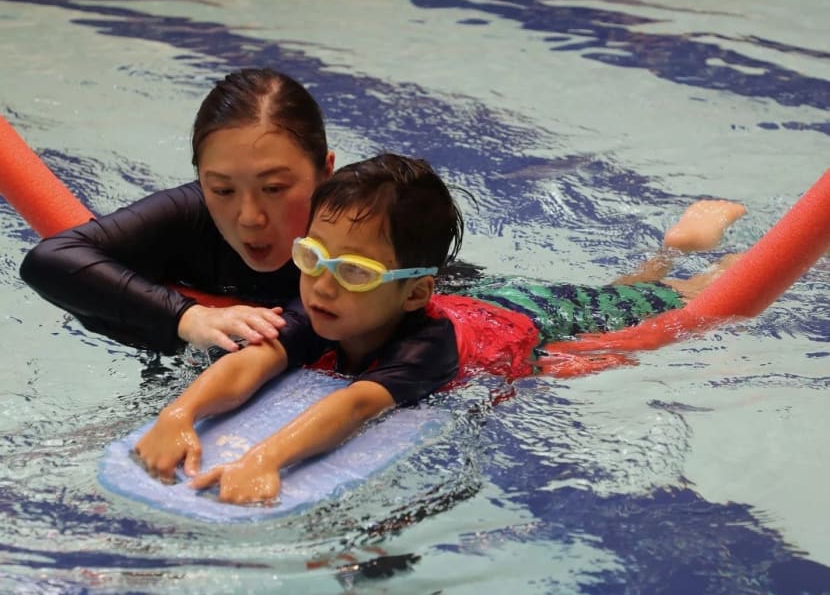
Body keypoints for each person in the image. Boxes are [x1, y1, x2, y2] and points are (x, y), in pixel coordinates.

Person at [133, 153, 745, 505]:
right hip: (472, 303)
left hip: (530, 322)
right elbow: (255, 358)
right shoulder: (330, 303)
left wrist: (266, 459)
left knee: (665, 305)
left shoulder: (429, 346)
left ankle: (697, 253)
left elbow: (354, 406)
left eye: (352, 270)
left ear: (415, 292)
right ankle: (669, 253)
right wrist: (177, 418)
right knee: (630, 291)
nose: (321, 283)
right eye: (311, 256)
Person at [19, 68, 335, 355]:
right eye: (223, 190)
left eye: (274, 188)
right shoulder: (191, 216)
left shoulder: (364, 231)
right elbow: (50, 259)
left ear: (327, 173)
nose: (250, 218)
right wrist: (187, 316)